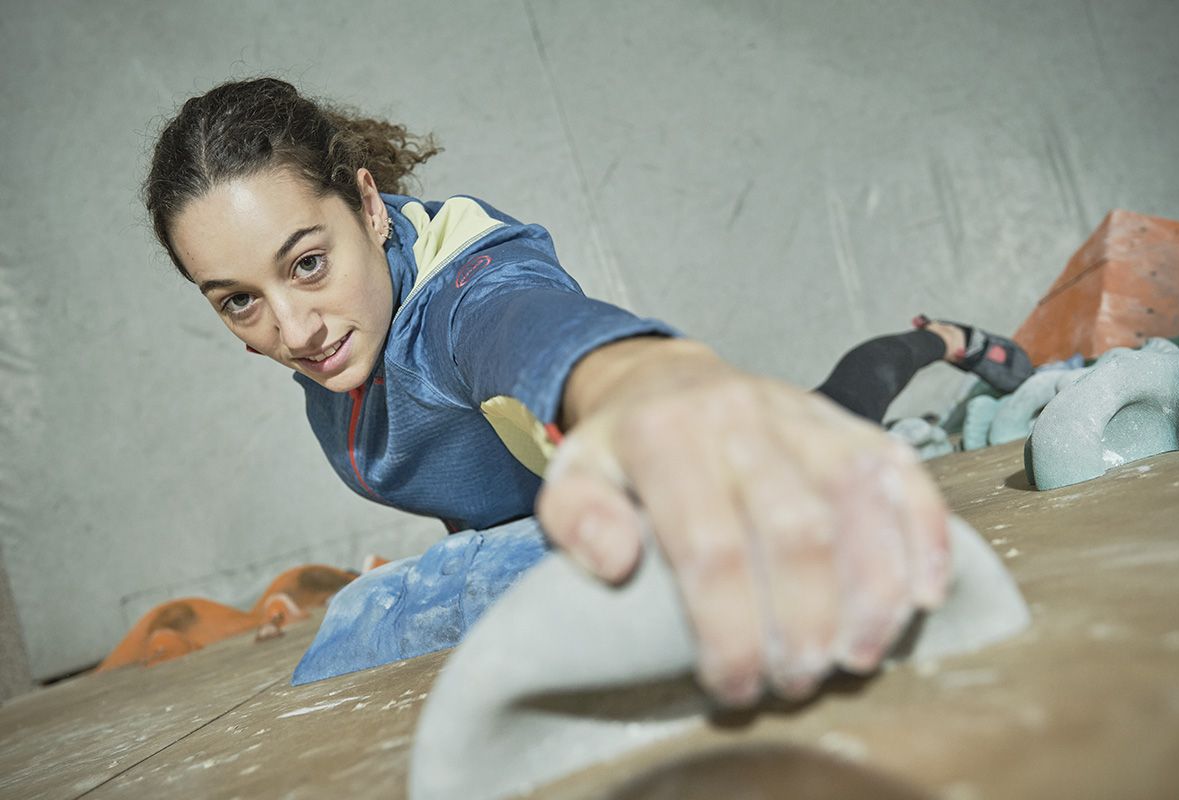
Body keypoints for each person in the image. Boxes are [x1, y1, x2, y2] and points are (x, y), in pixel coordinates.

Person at [144, 77, 1031, 707]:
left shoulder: (462, 294)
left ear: (370, 207)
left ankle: (941, 337)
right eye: (240, 302)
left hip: (661, 472)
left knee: (855, 394)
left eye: (308, 262)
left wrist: (648, 381)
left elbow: (517, 326)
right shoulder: (339, 332)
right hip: (551, 513)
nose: (294, 329)